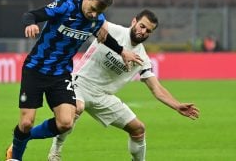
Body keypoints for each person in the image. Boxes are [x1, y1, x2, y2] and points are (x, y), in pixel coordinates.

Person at [5, 0, 143, 161]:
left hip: (60, 74)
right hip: (35, 69)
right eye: (93, 8)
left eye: (98, 12)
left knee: (65, 123)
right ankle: (15, 156)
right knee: (25, 123)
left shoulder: (97, 20)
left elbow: (104, 37)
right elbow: (31, 14)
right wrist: (31, 24)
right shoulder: (65, 6)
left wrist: (122, 51)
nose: (94, 14)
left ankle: (24, 139)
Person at [47, 9, 200, 161]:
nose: (143, 32)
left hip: (103, 96)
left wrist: (177, 105)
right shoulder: (111, 30)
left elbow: (156, 88)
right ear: (134, 21)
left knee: (138, 129)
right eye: (142, 26)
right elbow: (91, 21)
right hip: (80, 83)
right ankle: (55, 152)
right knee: (77, 108)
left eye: (148, 31)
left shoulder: (142, 59)